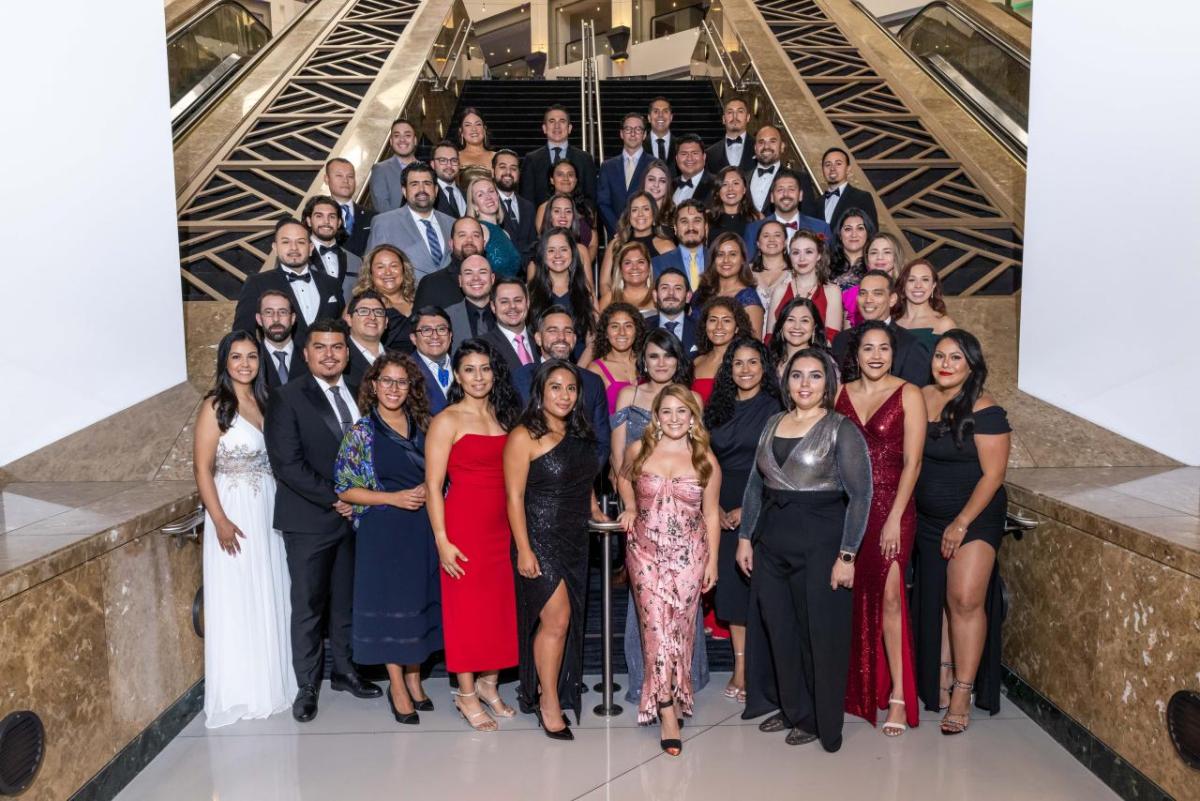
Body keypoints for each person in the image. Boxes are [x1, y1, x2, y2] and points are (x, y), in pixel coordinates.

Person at [736, 347, 872, 751]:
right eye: (797, 376)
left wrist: (847, 555)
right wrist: (745, 535)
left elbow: (861, 496)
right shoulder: (773, 422)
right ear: (786, 381)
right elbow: (755, 485)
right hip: (772, 540)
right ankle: (794, 707)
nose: (805, 384)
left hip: (822, 539)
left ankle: (819, 718)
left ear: (827, 383)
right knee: (780, 630)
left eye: (815, 376)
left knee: (820, 634)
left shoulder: (840, 428)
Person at [264, 319, 383, 724]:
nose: (329, 354)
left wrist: (360, 499)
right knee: (309, 607)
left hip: (354, 521)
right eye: (321, 348)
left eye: (337, 347)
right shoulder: (286, 397)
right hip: (309, 519)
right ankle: (307, 685)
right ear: (306, 353)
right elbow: (287, 464)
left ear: (347, 353)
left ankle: (344, 672)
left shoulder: (360, 392)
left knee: (346, 601)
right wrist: (337, 498)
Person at [195, 330, 297, 727]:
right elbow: (202, 469)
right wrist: (219, 519)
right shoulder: (215, 406)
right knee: (238, 592)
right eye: (236, 357)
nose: (244, 364)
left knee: (270, 588)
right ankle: (241, 688)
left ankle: (272, 681)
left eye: (251, 356)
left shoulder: (266, 401)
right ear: (224, 362)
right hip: (233, 509)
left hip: (268, 505)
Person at [334, 353, 441, 725]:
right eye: (387, 381)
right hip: (384, 533)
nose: (394, 389)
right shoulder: (362, 432)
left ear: (410, 388)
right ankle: (397, 684)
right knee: (392, 610)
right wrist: (392, 498)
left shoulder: (423, 426)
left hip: (421, 530)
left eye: (402, 382)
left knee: (416, 604)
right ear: (374, 386)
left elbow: (440, 475)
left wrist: (432, 491)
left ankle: (414, 677)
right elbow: (346, 489)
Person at [913, 329, 1012, 733]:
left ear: (971, 365)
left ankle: (962, 691)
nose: (946, 364)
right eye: (940, 356)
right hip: (928, 519)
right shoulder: (920, 397)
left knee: (965, 600)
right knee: (939, 598)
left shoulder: (987, 411)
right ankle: (940, 674)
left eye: (956, 358)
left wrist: (961, 522)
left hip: (974, 517)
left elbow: (993, 475)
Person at [617, 385, 721, 755]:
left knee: (681, 628)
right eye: (667, 412)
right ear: (656, 417)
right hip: (644, 552)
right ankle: (665, 709)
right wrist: (629, 506)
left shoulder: (704, 457)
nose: (674, 418)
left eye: (682, 412)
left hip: (691, 554)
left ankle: (677, 691)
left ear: (693, 417)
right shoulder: (639, 449)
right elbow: (622, 477)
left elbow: (711, 514)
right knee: (656, 628)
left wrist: (713, 562)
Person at [424, 339, 522, 732]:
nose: (478, 376)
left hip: (502, 529)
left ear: (494, 373)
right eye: (469, 369)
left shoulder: (503, 417)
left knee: (500, 611)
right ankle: (465, 693)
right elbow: (432, 486)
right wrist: (442, 540)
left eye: (485, 368)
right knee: (466, 613)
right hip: (463, 527)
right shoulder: (446, 420)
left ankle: (489, 684)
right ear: (457, 375)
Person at [835, 322, 926, 735]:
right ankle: (858, 688)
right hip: (851, 509)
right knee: (853, 599)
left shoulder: (910, 393)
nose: (876, 355)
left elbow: (914, 463)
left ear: (893, 353)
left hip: (894, 508)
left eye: (884, 348)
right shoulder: (840, 394)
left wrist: (893, 518)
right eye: (868, 348)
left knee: (891, 599)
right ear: (856, 354)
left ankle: (897, 697)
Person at [505, 359, 603, 739]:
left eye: (571, 388)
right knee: (556, 620)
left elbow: (585, 481)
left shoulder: (581, 433)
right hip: (540, 538)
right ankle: (548, 702)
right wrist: (524, 549)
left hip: (576, 539)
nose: (564, 395)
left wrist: (595, 508)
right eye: (556, 387)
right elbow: (513, 497)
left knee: (564, 624)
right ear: (541, 393)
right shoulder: (524, 435)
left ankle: (551, 690)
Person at [611, 332, 709, 709]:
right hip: (644, 514)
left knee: (683, 612)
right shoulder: (629, 397)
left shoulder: (691, 399)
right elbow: (620, 462)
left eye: (668, 356)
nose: (661, 363)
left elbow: (701, 469)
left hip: (684, 525)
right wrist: (631, 505)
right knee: (647, 609)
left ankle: (684, 684)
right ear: (644, 361)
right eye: (653, 356)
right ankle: (646, 684)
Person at [703, 337, 783, 704]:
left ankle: (765, 667)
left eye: (753, 362)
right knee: (734, 593)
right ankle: (740, 667)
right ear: (728, 369)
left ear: (764, 367)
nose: (746, 370)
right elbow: (702, 460)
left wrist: (751, 508)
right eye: (738, 363)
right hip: (721, 501)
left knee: (762, 590)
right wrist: (713, 505)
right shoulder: (716, 408)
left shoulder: (776, 408)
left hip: (765, 500)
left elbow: (780, 466)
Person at [513, 306, 610, 465]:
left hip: (580, 481)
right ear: (538, 338)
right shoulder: (520, 379)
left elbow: (601, 443)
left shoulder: (592, 382)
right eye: (552, 331)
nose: (562, 337)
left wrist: (579, 480)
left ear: (574, 338)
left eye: (568, 331)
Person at [234, 219, 344, 346]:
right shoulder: (257, 283)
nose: (294, 248)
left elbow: (341, 329)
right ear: (275, 248)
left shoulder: (331, 284)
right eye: (286, 242)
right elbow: (243, 334)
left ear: (311, 248)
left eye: (301, 242)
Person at [832, 270, 932, 387]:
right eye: (863, 293)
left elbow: (916, 395)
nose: (868, 300)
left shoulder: (911, 344)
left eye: (877, 293)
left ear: (892, 299)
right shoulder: (842, 339)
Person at [365, 163, 454, 281]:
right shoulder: (384, 224)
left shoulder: (452, 224)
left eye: (427, 184)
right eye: (414, 184)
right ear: (404, 191)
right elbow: (370, 271)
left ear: (436, 190)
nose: (422, 189)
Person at [527, 227, 596, 362]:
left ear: (572, 253)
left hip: (579, 366)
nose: (557, 255)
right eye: (551, 250)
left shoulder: (585, 291)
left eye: (563, 249)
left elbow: (593, 341)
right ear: (543, 255)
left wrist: (576, 372)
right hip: (540, 369)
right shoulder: (531, 292)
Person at [598, 191, 675, 297]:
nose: (640, 214)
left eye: (646, 209)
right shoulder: (616, 244)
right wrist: (616, 306)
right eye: (634, 210)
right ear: (628, 216)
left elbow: (675, 282)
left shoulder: (667, 247)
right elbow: (604, 283)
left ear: (654, 214)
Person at [520, 105, 597, 207]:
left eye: (562, 121)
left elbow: (591, 197)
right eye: (552, 121)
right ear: (544, 128)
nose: (557, 126)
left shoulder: (585, 159)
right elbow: (526, 199)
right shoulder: (532, 159)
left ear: (569, 128)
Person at [744, 169, 832, 259]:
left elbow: (826, 266)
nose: (786, 194)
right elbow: (748, 269)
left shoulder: (821, 228)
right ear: (772, 197)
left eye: (791, 189)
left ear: (800, 195)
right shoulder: (753, 230)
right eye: (780, 190)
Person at [690, 232, 765, 336]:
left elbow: (754, 346)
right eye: (720, 254)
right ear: (713, 260)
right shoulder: (701, 293)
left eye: (732, 254)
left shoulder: (749, 298)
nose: (726, 260)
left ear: (743, 259)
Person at [351, 244, 416, 353]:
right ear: (370, 273)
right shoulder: (360, 303)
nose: (388, 272)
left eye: (394, 266)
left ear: (404, 269)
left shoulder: (420, 300)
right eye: (380, 267)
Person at [412, 216, 485, 311]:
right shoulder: (431, 284)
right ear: (451, 244)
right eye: (462, 235)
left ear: (484, 243)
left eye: (476, 235)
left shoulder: (498, 283)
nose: (469, 240)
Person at [598, 111, 654, 235]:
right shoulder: (607, 166)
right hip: (617, 235)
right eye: (628, 129)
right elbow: (603, 203)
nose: (633, 133)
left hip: (647, 233)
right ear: (621, 134)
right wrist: (618, 230)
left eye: (638, 129)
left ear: (644, 134)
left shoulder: (654, 165)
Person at [691, 296, 754, 404]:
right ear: (705, 325)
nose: (719, 326)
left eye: (726, 321)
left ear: (737, 328)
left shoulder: (744, 364)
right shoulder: (696, 361)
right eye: (713, 320)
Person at [787, 230, 844, 343]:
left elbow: (831, 337)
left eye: (808, 252)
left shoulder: (832, 291)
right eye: (796, 252)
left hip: (819, 356)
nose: (801, 258)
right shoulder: (780, 290)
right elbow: (770, 337)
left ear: (818, 255)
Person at [587, 302, 645, 412]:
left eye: (628, 326)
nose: (622, 332)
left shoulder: (647, 362)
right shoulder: (595, 369)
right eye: (615, 326)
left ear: (636, 331)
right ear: (605, 333)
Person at [303, 194, 361, 302]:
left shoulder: (356, 261)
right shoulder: (297, 257)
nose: (326, 221)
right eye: (319, 216)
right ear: (309, 221)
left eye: (332, 216)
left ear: (339, 222)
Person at [805, 146, 879, 228]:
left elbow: (872, 231)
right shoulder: (817, 203)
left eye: (838, 164)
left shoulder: (862, 198)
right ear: (822, 170)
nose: (832, 168)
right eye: (828, 164)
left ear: (848, 169)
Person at [892, 258, 958, 351]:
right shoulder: (892, 324)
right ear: (903, 285)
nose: (918, 285)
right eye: (911, 280)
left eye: (925, 279)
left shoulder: (944, 324)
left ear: (933, 286)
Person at [464, 174, 522, 278]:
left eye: (491, 191)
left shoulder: (505, 233)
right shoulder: (479, 231)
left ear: (497, 196)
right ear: (474, 205)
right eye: (480, 195)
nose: (488, 197)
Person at [831, 208, 877, 328]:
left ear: (868, 233)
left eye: (860, 228)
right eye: (848, 229)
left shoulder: (875, 269)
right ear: (840, 235)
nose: (854, 234)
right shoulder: (825, 267)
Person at [482, 276, 538, 375]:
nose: (512, 306)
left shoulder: (541, 341)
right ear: (493, 306)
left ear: (528, 303)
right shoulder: (483, 346)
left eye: (518, 300)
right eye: (504, 302)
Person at [256, 290, 310, 389]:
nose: (276, 319)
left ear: (293, 318)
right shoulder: (251, 360)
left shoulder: (311, 357)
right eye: (268, 312)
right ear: (259, 319)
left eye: (283, 312)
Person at [493, 149, 538, 263]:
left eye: (513, 168)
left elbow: (533, 244)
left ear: (518, 173)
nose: (508, 172)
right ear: (492, 171)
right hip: (498, 276)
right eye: (502, 167)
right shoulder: (486, 204)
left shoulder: (529, 207)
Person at [651, 200, 708, 289]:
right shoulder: (657, 264)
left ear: (706, 227)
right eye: (684, 221)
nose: (691, 227)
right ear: (676, 228)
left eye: (697, 221)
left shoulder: (718, 260)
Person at [749, 220, 792, 337]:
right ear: (758, 243)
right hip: (750, 339)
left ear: (785, 242)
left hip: (785, 338)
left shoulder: (796, 273)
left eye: (777, 235)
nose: (771, 239)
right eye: (766, 235)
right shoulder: (746, 272)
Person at [409, 306, 455, 414]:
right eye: (426, 330)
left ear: (450, 335)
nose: (435, 336)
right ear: (413, 338)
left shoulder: (464, 366)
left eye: (441, 329)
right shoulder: (405, 371)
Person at [325, 157, 374, 257]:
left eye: (350, 176)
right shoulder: (316, 217)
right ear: (326, 179)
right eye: (339, 176)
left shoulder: (373, 217)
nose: (345, 181)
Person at [537, 191, 597, 272]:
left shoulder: (581, 251)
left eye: (568, 211)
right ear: (550, 216)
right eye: (557, 211)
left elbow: (587, 284)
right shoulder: (537, 251)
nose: (563, 215)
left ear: (573, 216)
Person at [445, 255, 495, 353]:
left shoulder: (508, 314)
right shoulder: (446, 318)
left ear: (492, 278)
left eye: (482, 272)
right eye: (468, 273)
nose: (476, 278)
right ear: (460, 281)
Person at [369, 118, 420, 212]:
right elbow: (382, 209)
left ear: (415, 140)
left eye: (407, 135)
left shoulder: (427, 169)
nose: (402, 139)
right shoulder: (380, 170)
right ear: (391, 142)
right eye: (397, 136)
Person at [768, 297, 830, 374]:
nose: (797, 327)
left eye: (804, 320)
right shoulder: (768, 360)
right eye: (790, 319)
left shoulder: (823, 363)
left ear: (814, 328)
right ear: (781, 325)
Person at [646, 268, 697, 353]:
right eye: (665, 288)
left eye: (678, 288)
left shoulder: (701, 329)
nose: (671, 293)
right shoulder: (642, 328)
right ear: (655, 295)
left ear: (688, 297)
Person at [343, 290, 387, 387]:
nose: (372, 317)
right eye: (363, 311)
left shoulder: (399, 359)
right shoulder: (338, 358)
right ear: (349, 319)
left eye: (378, 312)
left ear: (386, 322)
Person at [599, 240, 656, 316]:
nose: (635, 267)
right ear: (620, 269)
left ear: (649, 267)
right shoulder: (608, 299)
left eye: (640, 262)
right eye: (627, 263)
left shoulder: (659, 296)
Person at [706, 166, 760, 243]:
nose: (730, 189)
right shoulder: (707, 218)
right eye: (724, 184)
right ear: (717, 191)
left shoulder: (756, 218)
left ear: (744, 189)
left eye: (736, 183)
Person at [705, 97, 757, 174]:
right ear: (723, 119)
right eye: (730, 112)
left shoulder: (760, 148)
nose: (735, 117)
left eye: (740, 112)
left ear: (748, 118)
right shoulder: (710, 153)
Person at [746, 125, 785, 213]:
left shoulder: (799, 179)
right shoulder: (743, 178)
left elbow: (807, 219)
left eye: (772, 141)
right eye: (761, 142)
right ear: (755, 148)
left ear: (782, 146)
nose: (766, 146)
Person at [671, 135, 715, 206]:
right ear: (676, 158)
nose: (689, 158)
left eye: (695, 153)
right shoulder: (669, 186)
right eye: (684, 154)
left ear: (704, 157)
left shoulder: (717, 185)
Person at [639, 159, 677, 234]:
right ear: (644, 181)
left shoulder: (676, 215)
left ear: (668, 185)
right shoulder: (632, 213)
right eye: (651, 179)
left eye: (662, 181)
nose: (656, 185)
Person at [431, 141, 467, 218]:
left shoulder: (466, 194)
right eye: (443, 160)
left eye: (454, 160)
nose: (449, 165)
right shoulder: (428, 193)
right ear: (433, 164)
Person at [456, 108, 496, 173]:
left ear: (484, 129)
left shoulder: (496, 157)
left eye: (478, 124)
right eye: (467, 125)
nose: (474, 129)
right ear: (461, 131)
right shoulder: (455, 158)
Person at [644, 96, 677, 165]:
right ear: (649, 117)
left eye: (665, 111)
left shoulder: (681, 146)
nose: (660, 115)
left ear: (671, 117)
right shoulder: (639, 146)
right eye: (656, 111)